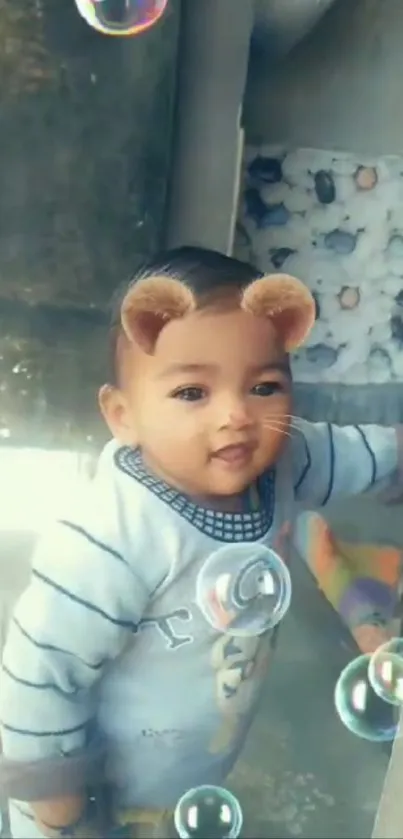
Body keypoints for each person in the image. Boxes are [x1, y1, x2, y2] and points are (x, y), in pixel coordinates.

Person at [0, 246, 401, 839]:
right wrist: (59, 808)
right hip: (95, 805)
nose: (237, 415)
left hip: (190, 777)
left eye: (264, 386)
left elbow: (361, 452)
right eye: (192, 393)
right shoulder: (110, 538)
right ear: (122, 416)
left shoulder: (286, 457)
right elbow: (36, 675)